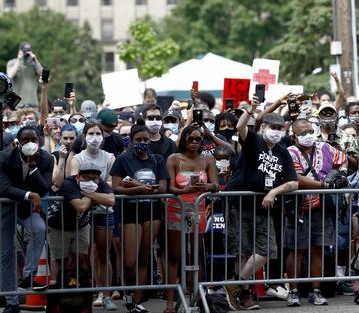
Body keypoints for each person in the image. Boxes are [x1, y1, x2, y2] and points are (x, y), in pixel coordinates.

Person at [223, 100, 298, 310]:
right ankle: (244, 295)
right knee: (242, 250)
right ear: (263, 127)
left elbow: (293, 182)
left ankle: (234, 284)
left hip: (263, 206)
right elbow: (239, 127)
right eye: (272, 128)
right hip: (239, 203)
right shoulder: (254, 140)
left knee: (267, 250)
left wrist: (274, 191)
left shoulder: (283, 152)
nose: (275, 132)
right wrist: (250, 109)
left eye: (279, 129)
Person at [285, 118, 348, 307]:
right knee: (297, 251)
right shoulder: (290, 152)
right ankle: (293, 291)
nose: (308, 136)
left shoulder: (324, 147)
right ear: (294, 136)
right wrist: (324, 184)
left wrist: (340, 175)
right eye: (303, 133)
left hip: (322, 207)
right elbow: (295, 177)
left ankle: (316, 291)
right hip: (298, 208)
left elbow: (343, 159)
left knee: (319, 250)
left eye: (311, 131)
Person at [110, 121, 170, 313]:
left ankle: (136, 301)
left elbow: (162, 188)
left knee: (145, 256)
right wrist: (139, 189)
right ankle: (128, 292)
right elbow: (116, 187)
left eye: (145, 139)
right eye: (138, 140)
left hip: (152, 212)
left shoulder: (157, 159)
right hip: (130, 212)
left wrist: (139, 188)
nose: (142, 142)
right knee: (130, 261)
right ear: (131, 141)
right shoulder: (122, 160)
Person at [165, 124, 220, 312]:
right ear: (183, 140)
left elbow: (216, 185)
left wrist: (205, 188)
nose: (195, 142)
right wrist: (185, 189)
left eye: (198, 139)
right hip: (176, 209)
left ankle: (197, 298)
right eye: (191, 139)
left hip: (199, 210)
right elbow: (169, 188)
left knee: (196, 256)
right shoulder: (174, 159)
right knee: (174, 256)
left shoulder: (208, 160)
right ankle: (170, 302)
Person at [0, 126, 53, 313]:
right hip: (5, 209)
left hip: (26, 210)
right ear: (18, 142)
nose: (30, 143)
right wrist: (30, 195)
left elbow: (45, 186)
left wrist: (33, 168)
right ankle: (12, 302)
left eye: (34, 140)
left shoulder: (46, 159)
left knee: (39, 229)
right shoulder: (5, 158)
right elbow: (4, 188)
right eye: (25, 140)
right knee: (6, 256)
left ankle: (28, 274)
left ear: (39, 141)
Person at [68, 122, 117, 310]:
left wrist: (90, 191)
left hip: (105, 212)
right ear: (84, 136)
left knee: (103, 254)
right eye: (91, 133)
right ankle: (87, 293)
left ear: (103, 137)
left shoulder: (110, 157)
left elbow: (113, 183)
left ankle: (105, 295)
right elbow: (74, 184)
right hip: (84, 211)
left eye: (98, 133)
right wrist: (99, 192)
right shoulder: (77, 159)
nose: (95, 137)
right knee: (85, 254)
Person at [47, 161, 114, 291]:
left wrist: (86, 193)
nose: (90, 181)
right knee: (62, 261)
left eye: (94, 178)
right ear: (78, 177)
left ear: (99, 178)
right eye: (86, 177)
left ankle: (80, 288)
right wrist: (95, 195)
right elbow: (81, 206)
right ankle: (60, 290)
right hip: (58, 226)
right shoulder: (68, 183)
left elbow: (110, 200)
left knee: (81, 259)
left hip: (81, 225)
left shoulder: (99, 184)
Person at [6, 42, 43, 108]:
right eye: (25, 51)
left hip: (32, 103)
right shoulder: (12, 63)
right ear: (20, 51)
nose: (27, 53)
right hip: (16, 104)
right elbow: (10, 76)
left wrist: (35, 60)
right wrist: (19, 60)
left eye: (28, 51)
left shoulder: (34, 64)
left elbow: (43, 76)